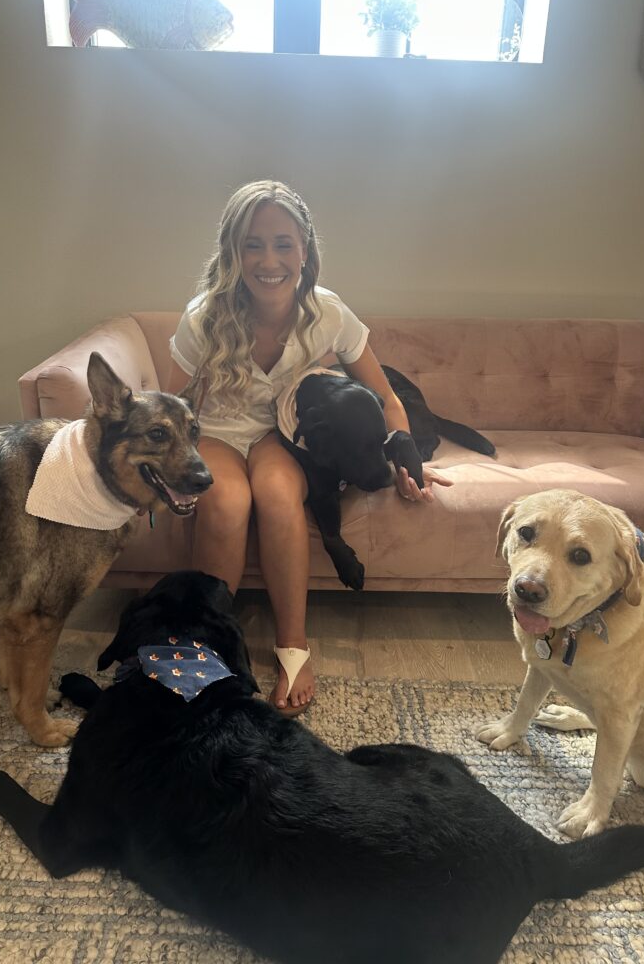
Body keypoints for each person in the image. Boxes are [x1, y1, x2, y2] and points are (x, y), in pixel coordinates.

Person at [168, 180, 451, 716]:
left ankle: (293, 645)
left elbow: (386, 396)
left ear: (305, 250)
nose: (269, 259)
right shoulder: (204, 315)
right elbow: (169, 408)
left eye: (283, 243)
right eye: (253, 244)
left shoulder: (329, 314)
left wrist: (406, 458)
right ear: (233, 252)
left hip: (281, 436)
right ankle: (205, 648)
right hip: (217, 431)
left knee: (277, 494)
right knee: (227, 502)